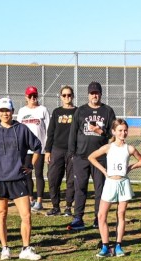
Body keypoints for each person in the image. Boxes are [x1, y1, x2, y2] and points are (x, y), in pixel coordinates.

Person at [0, 97, 44, 261]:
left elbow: (37, 147)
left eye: (8, 110)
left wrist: (30, 165)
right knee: (1, 213)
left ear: (12, 111)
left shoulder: (22, 129)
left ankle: (26, 248)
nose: (5, 113)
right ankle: (5, 248)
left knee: (26, 215)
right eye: (2, 110)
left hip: (18, 178)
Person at [89, 119, 141, 257]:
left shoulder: (130, 148)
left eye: (125, 130)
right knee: (102, 215)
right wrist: (104, 171)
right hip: (110, 183)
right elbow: (91, 157)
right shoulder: (108, 147)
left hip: (123, 184)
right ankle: (105, 246)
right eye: (120, 130)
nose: (123, 133)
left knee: (121, 214)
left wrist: (130, 168)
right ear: (114, 131)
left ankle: (118, 245)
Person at [67, 81, 116, 231]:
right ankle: (78, 218)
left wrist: (102, 133)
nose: (94, 95)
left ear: (101, 94)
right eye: (92, 93)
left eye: (97, 93)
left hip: (100, 157)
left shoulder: (107, 111)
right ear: (88, 94)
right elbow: (73, 132)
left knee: (100, 188)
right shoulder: (81, 111)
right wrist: (72, 153)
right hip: (81, 156)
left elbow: (114, 133)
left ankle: (98, 218)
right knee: (80, 187)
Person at [45, 86, 77, 216]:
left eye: (69, 95)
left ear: (73, 96)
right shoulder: (57, 112)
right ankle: (55, 206)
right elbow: (51, 132)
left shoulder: (78, 111)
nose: (67, 97)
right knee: (53, 178)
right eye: (64, 95)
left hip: (73, 151)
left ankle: (68, 207)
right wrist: (48, 151)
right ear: (60, 97)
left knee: (71, 180)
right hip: (57, 150)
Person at [17, 86, 50, 211]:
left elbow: (48, 129)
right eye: (30, 96)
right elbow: (19, 129)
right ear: (26, 97)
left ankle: (39, 200)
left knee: (39, 174)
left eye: (34, 96)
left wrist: (47, 147)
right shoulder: (22, 111)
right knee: (26, 174)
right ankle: (31, 198)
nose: (32, 98)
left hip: (39, 148)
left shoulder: (43, 110)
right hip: (25, 149)